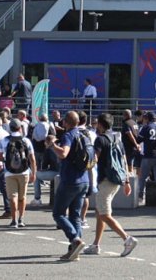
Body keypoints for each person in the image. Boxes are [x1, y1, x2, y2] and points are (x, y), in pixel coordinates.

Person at [84, 113, 138, 257]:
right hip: (116, 179)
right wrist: (127, 181)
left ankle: (127, 238)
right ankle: (96, 244)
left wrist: (84, 165)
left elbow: (95, 159)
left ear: (100, 125)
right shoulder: (117, 138)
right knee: (99, 212)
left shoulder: (100, 140)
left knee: (105, 214)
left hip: (105, 180)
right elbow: (124, 159)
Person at [47, 111, 90, 261]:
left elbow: (63, 154)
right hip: (84, 179)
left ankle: (75, 239)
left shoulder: (68, 135)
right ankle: (74, 250)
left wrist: (52, 145)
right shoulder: (84, 134)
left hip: (70, 180)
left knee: (58, 214)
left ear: (65, 122)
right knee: (75, 216)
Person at [0, 118, 36, 228]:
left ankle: (14, 220)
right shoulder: (26, 140)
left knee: (12, 196)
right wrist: (34, 173)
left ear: (10, 128)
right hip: (24, 171)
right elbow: (32, 158)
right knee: (22, 197)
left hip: (9, 172)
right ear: (20, 128)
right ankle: (21, 219)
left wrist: (5, 159)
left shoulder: (4, 140)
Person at [136, 111, 156, 201]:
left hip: (148, 155)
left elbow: (138, 140)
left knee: (143, 178)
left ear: (148, 119)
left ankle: (141, 196)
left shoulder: (146, 127)